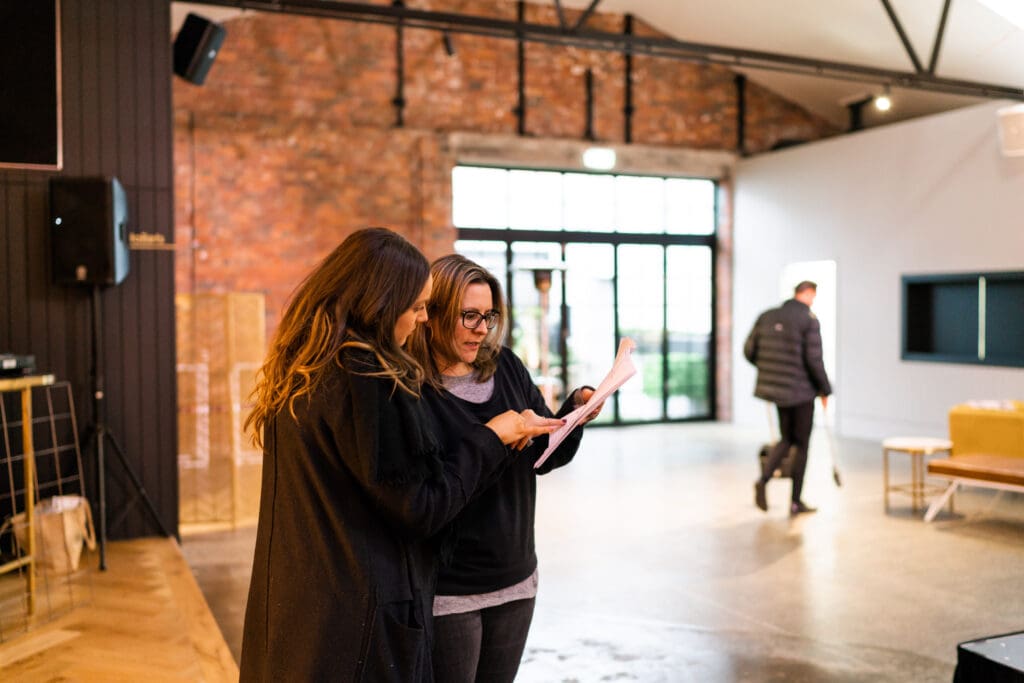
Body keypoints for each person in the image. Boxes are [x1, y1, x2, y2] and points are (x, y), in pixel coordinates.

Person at [238, 228, 563, 681]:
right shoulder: (366, 378)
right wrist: (489, 438)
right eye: (416, 307)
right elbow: (419, 507)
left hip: (304, 612)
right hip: (354, 621)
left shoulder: (308, 367)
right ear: (380, 303)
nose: (421, 319)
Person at [407, 254, 602, 683]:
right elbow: (425, 492)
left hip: (516, 577)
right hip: (450, 588)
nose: (482, 328)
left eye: (489, 315)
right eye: (469, 316)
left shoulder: (506, 365)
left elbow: (542, 457)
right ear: (432, 314)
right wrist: (492, 437)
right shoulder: (410, 386)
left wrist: (571, 414)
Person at [744, 280, 833, 516]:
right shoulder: (809, 319)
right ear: (809, 294)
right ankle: (795, 501)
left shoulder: (767, 316)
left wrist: (770, 371)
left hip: (777, 391)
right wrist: (825, 389)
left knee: (786, 439)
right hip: (802, 392)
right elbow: (814, 360)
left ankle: (763, 480)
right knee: (802, 444)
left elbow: (749, 351)